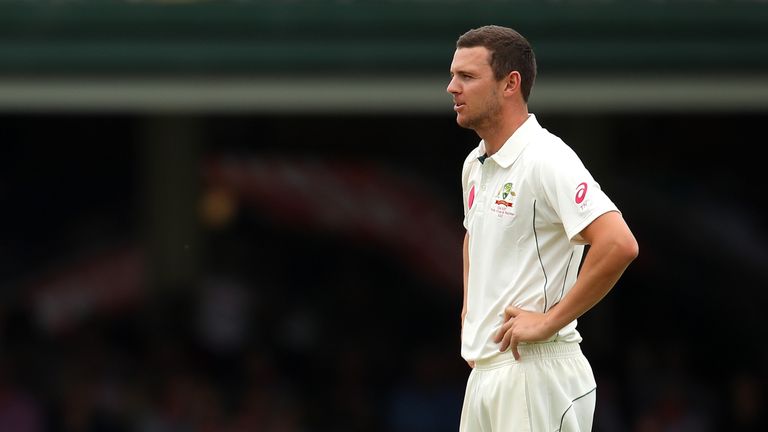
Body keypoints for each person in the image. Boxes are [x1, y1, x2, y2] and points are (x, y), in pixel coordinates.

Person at [447, 25, 639, 431]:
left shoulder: (546, 158)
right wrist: (471, 312)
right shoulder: (474, 165)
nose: (451, 87)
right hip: (486, 373)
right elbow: (474, 237)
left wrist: (550, 320)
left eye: (467, 76)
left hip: (535, 371)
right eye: (453, 75)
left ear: (510, 83)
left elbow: (618, 243)